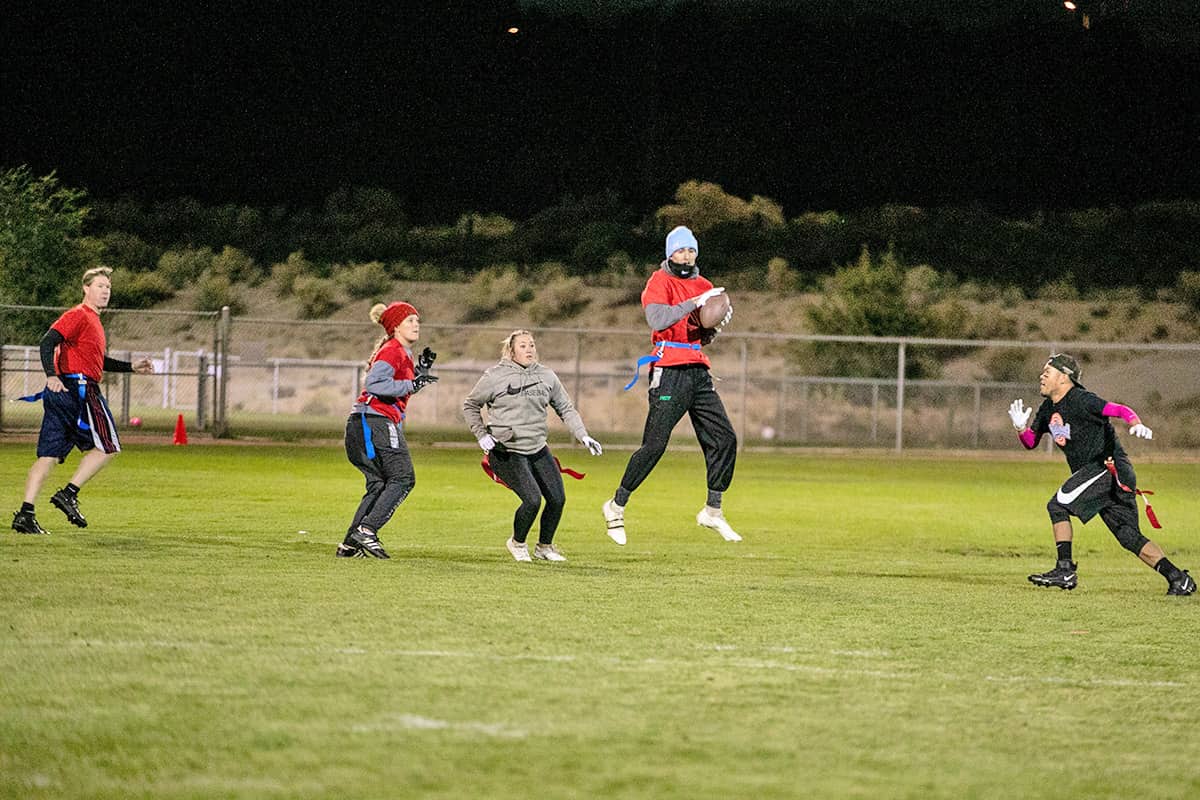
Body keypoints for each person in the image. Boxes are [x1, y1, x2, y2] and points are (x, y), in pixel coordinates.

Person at [1009, 353, 1194, 595]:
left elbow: (1118, 409)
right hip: (1101, 474)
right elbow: (1031, 442)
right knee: (1128, 535)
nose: (1042, 376)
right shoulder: (1048, 408)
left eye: (1048, 372)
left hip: (1107, 467)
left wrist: (1135, 422)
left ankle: (1064, 570)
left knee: (1058, 505)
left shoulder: (1081, 399)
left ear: (1064, 378)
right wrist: (1021, 428)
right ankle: (1178, 578)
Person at [601, 225, 739, 546]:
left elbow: (699, 334)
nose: (686, 256)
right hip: (668, 370)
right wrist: (695, 302)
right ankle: (616, 505)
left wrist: (713, 328)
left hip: (698, 370)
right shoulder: (658, 281)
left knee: (724, 438)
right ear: (669, 253)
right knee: (655, 445)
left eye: (691, 250)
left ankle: (713, 510)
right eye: (680, 250)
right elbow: (658, 320)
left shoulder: (705, 285)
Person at [11, 266, 154, 535]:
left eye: (108, 287)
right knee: (109, 446)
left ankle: (25, 514)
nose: (105, 291)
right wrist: (51, 375)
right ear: (86, 289)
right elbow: (47, 341)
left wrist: (131, 367)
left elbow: (98, 362)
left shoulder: (93, 322)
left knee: (49, 456)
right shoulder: (79, 315)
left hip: (62, 393)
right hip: (79, 390)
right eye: (100, 286)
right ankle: (69, 493)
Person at [463, 330, 603, 563]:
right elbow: (470, 405)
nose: (529, 350)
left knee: (557, 499)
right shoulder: (495, 376)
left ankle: (544, 547)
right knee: (532, 500)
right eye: (523, 346)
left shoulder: (546, 376)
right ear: (511, 351)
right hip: (506, 450)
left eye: (532, 345)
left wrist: (583, 435)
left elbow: (566, 408)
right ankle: (517, 543)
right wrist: (480, 434)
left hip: (537, 448)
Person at [337, 301, 437, 559]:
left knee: (379, 484)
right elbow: (374, 383)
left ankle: (350, 545)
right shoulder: (393, 349)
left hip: (366, 423)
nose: (416, 324)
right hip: (376, 422)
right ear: (395, 326)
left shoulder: (398, 351)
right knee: (403, 478)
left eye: (417, 320)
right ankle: (367, 530)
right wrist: (412, 384)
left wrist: (419, 373)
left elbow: (396, 382)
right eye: (410, 320)